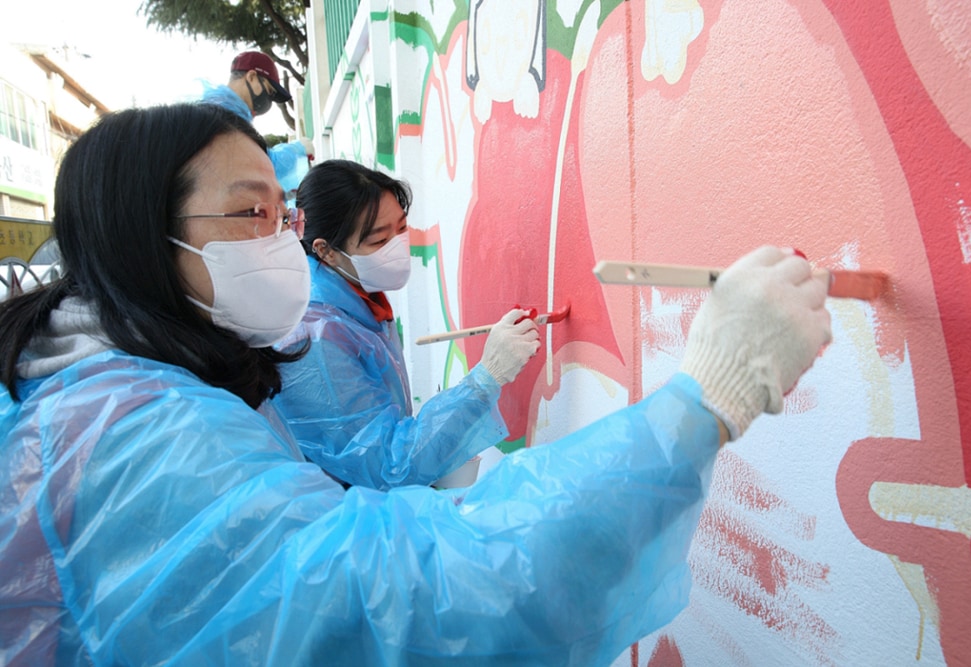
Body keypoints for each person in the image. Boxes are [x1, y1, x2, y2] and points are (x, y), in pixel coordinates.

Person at [0, 103, 831, 666]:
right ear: (144, 238)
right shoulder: (139, 437)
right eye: (253, 214)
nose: (281, 239)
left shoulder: (119, 387)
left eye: (280, 212)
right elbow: (409, 596)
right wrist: (705, 398)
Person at [271, 159, 539, 489]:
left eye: (401, 228)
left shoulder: (357, 300)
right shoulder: (315, 340)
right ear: (326, 251)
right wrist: (487, 378)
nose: (398, 246)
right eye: (379, 240)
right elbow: (386, 464)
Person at [200, 50, 314, 195]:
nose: (269, 101)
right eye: (269, 91)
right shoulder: (220, 117)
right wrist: (297, 151)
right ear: (252, 77)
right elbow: (254, 167)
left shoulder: (226, 113)